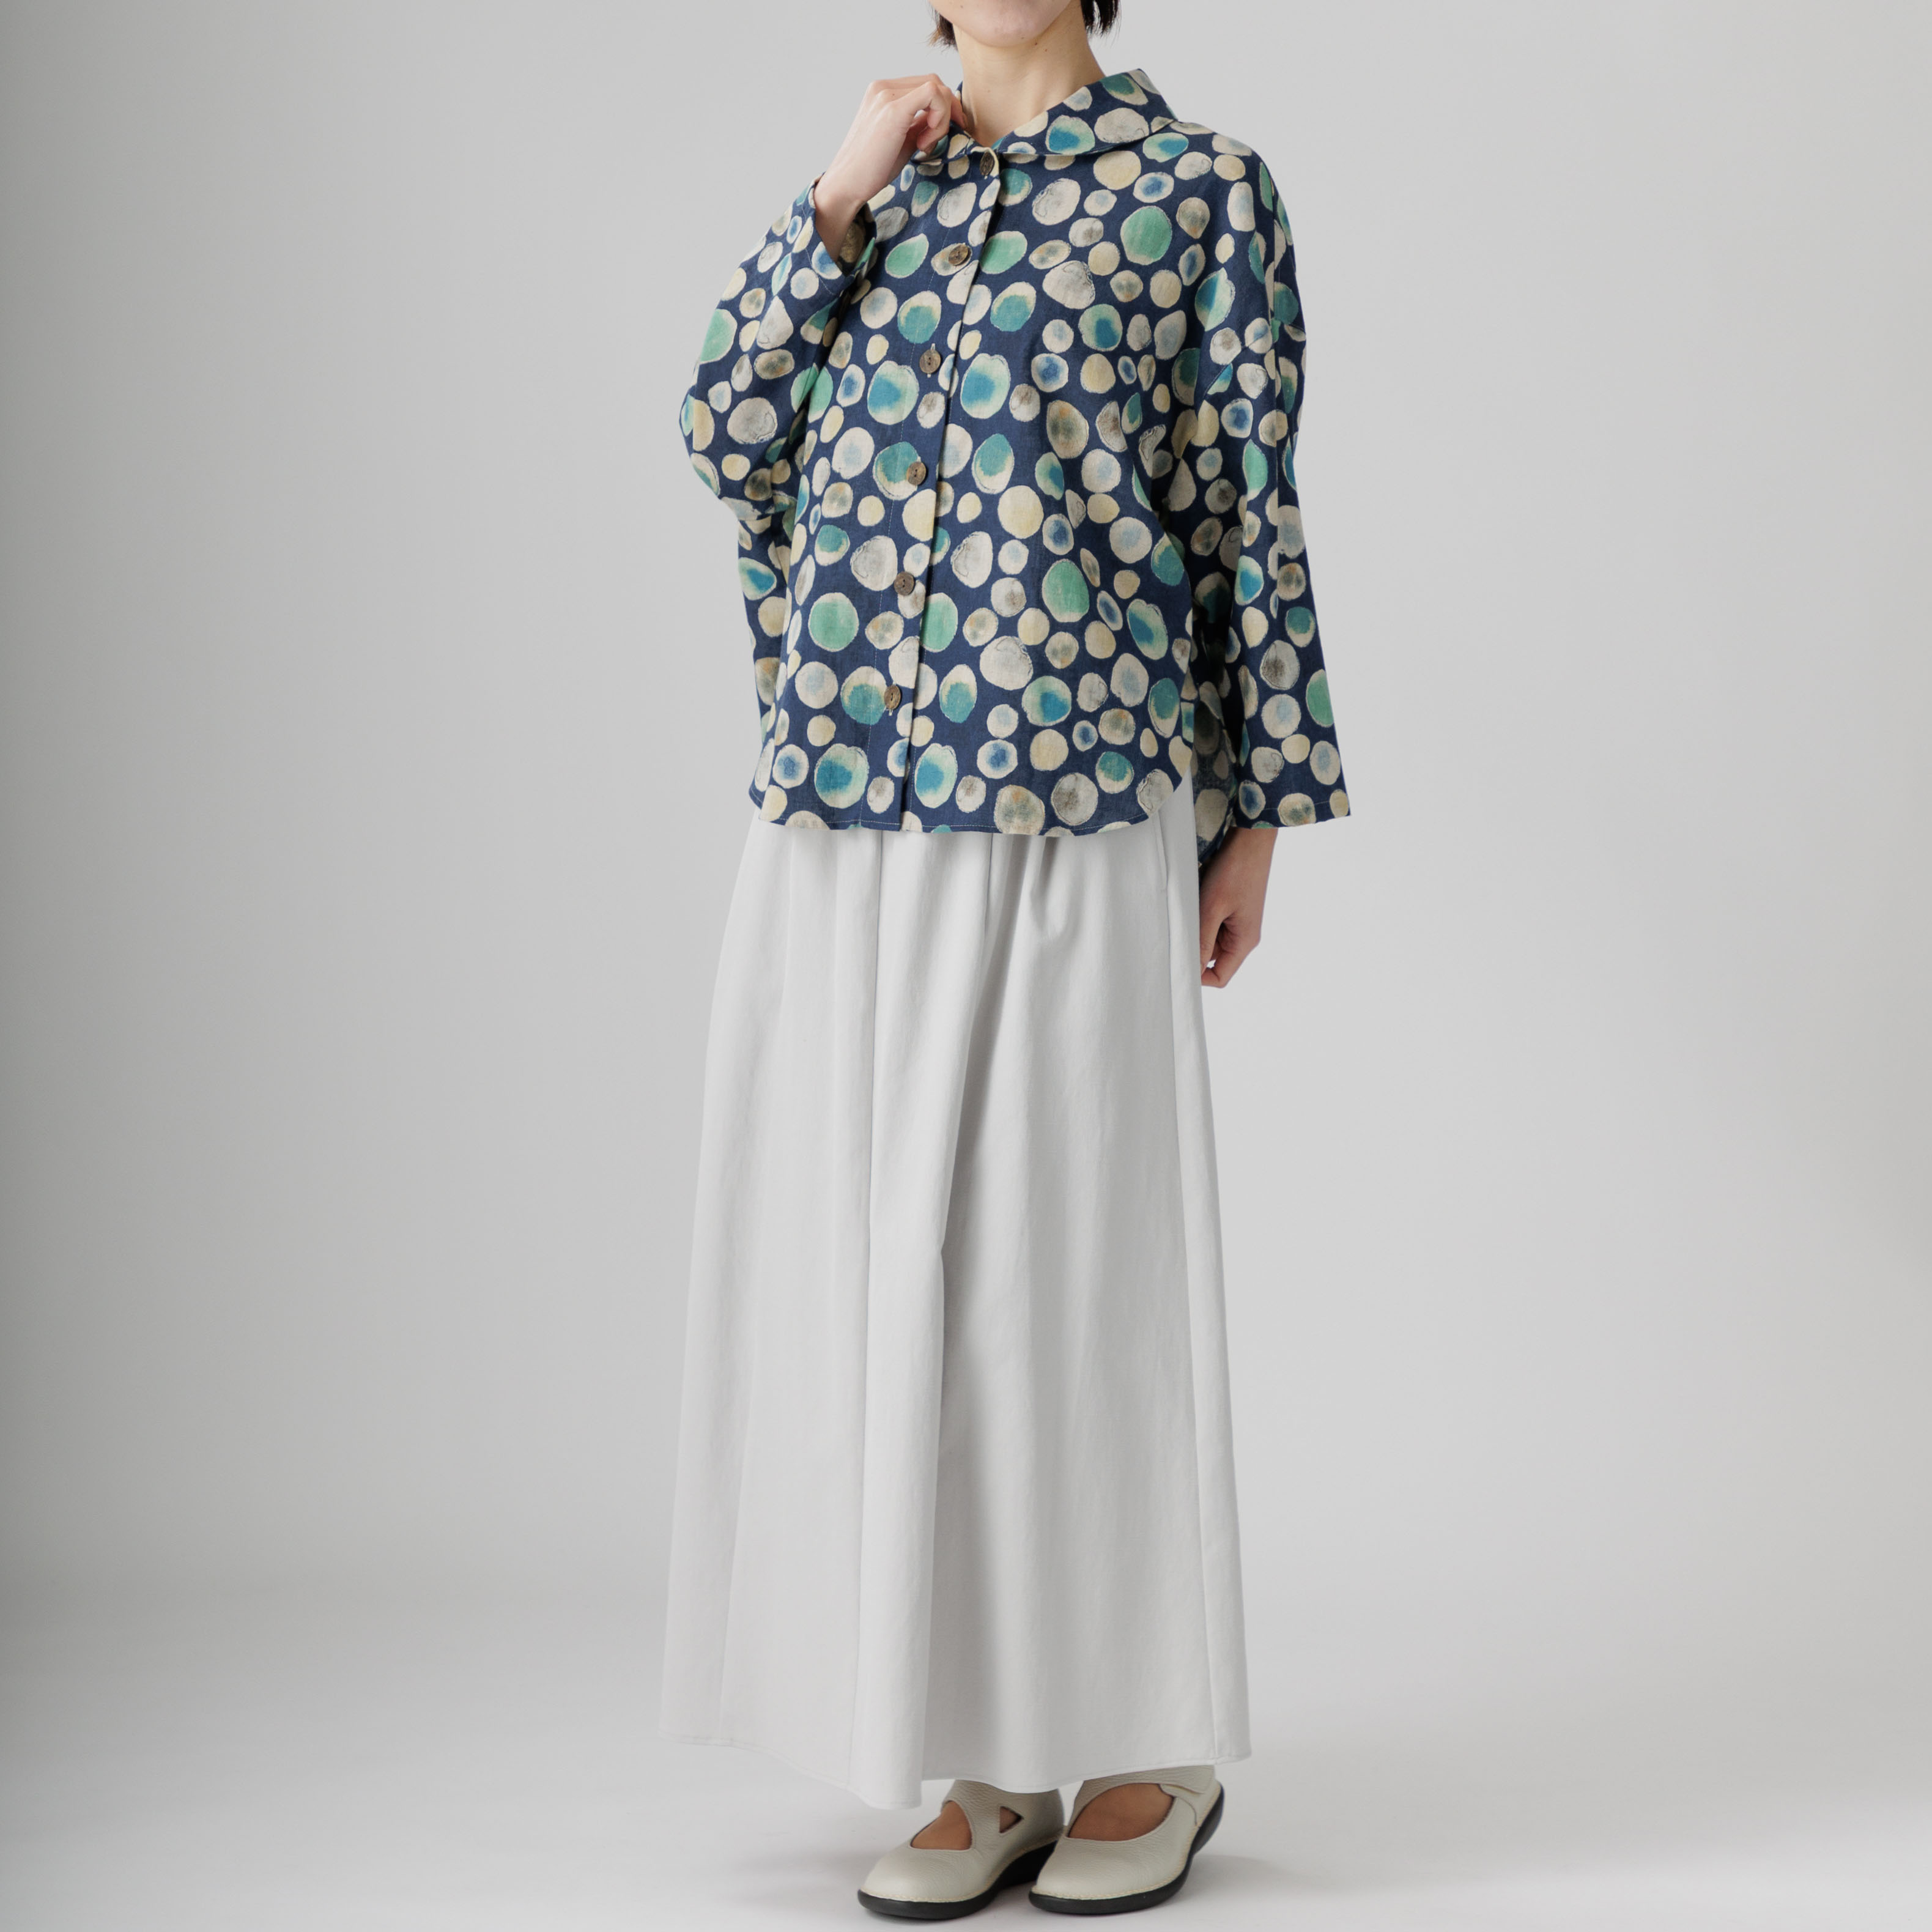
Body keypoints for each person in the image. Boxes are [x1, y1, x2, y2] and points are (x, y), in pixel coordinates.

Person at [662, 0, 1347, 1915]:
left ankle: (1141, 1741)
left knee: (1063, 1275)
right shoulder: (876, 191)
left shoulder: (1198, 190)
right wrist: (832, 201)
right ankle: (982, 1746)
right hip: (848, 804)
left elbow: (1242, 506)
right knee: (895, 1284)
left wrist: (1256, 812)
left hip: (1074, 786)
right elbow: (727, 436)